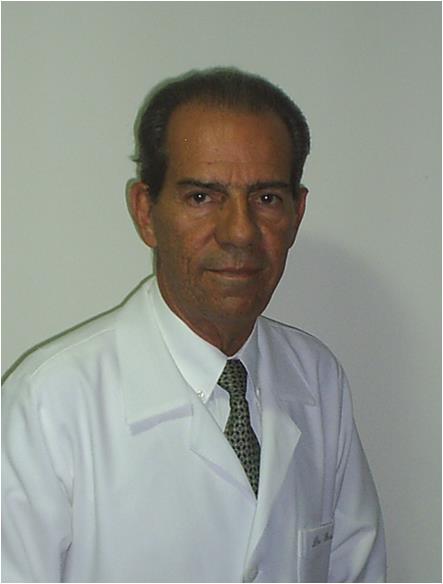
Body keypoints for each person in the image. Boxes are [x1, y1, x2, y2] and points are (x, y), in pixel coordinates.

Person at [2, 68, 386, 583]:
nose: (240, 232)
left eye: (266, 198)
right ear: (145, 212)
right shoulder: (49, 404)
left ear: (297, 213)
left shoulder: (318, 379)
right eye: (202, 197)